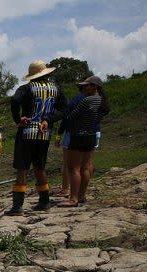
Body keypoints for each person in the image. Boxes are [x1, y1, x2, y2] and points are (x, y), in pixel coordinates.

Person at [7, 60, 67, 215]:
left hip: (27, 133)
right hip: (43, 134)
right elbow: (63, 110)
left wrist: (18, 119)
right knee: (40, 168)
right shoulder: (56, 89)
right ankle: (44, 201)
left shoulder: (27, 88)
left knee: (22, 169)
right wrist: (48, 120)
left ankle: (17, 206)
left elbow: (14, 100)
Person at [58, 75, 110, 207]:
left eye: (87, 85)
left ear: (95, 86)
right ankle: (82, 195)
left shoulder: (86, 101)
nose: (84, 87)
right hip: (91, 135)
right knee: (86, 168)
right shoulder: (101, 101)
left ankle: (73, 198)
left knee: (73, 168)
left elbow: (71, 116)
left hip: (78, 136)